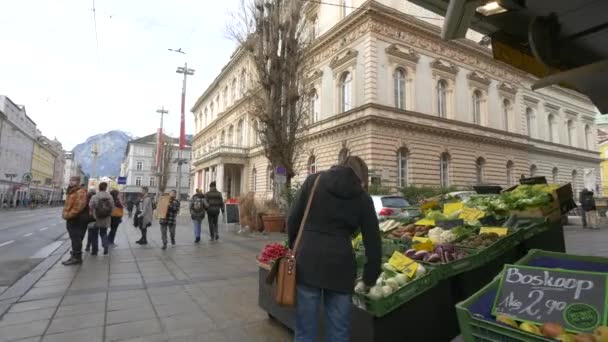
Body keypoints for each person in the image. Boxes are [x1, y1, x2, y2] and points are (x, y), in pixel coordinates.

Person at [287, 156, 381, 342]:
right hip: (341, 268)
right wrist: (370, 276)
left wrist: (294, 247)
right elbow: (373, 241)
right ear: (361, 176)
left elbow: (292, 219)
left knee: (305, 331)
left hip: (307, 262)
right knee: (338, 332)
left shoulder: (313, 182)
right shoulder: (363, 198)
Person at [61, 176, 89, 265]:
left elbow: (78, 207)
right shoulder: (72, 191)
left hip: (77, 219)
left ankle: (77, 258)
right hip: (73, 219)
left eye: (73, 180)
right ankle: (74, 256)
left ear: (78, 182)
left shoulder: (80, 192)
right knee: (74, 239)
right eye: (70, 180)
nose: (71, 182)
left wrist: (68, 215)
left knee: (76, 239)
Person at [88, 182, 115, 255]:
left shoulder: (95, 196)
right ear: (106, 188)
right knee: (104, 233)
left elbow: (90, 206)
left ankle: (94, 251)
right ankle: (105, 245)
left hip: (96, 217)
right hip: (106, 218)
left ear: (99, 188)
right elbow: (112, 207)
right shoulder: (110, 196)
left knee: (94, 234)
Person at [83, 187, 97, 252]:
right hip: (93, 217)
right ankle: (90, 246)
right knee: (92, 232)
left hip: (86, 216)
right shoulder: (96, 197)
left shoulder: (85, 196)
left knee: (82, 232)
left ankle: (85, 246)